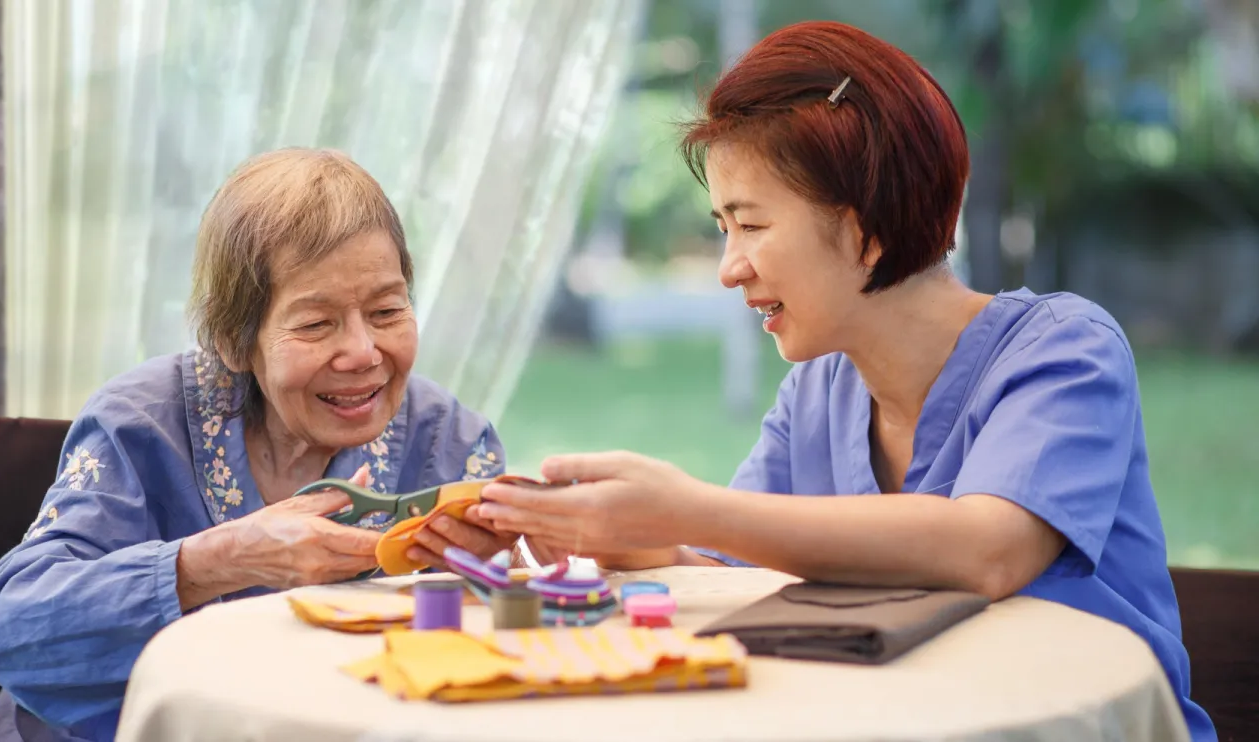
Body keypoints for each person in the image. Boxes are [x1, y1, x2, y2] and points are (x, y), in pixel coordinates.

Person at [479, 20, 1215, 742]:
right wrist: (627, 536)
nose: (729, 267)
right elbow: (734, 562)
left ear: (869, 226)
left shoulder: (1062, 350)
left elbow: (985, 550)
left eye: (752, 225)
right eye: (721, 227)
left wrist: (683, 510)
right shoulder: (817, 394)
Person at [0, 148, 515, 742]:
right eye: (315, 324)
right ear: (233, 340)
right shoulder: (140, 428)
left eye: (386, 310)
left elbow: (500, 650)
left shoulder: (451, 443)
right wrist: (219, 559)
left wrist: (498, 580)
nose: (363, 351)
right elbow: (9, 625)